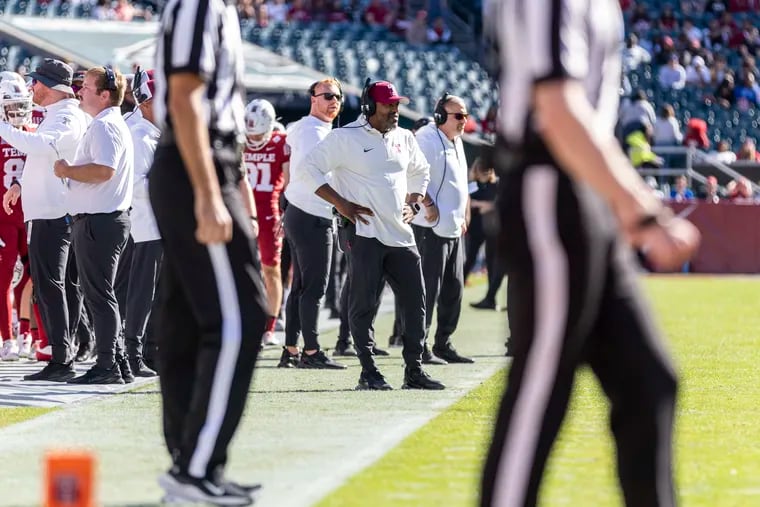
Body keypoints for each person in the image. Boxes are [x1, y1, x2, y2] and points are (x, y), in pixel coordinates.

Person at [481, 2, 700, 506]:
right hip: (548, 185)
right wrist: (640, 210)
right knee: (542, 388)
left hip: (580, 193)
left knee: (648, 384)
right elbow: (556, 105)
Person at [151, 0, 268, 502]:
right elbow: (184, 97)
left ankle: (190, 462)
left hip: (199, 162)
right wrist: (207, 193)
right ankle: (196, 468)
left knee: (187, 323)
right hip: (196, 162)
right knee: (241, 318)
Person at [303, 79, 445, 391]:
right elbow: (307, 169)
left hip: (401, 234)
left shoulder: (405, 137)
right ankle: (368, 372)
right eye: (388, 104)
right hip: (364, 234)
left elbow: (420, 171)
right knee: (363, 305)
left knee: (416, 303)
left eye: (397, 103)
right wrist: (341, 204)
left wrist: (414, 200)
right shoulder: (344, 138)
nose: (395, 109)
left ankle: (414, 371)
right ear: (369, 106)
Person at [0, 58, 88, 382]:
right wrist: (21, 185)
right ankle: (59, 354)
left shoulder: (68, 116)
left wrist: (2, 126)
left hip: (55, 214)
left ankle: (63, 357)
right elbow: (43, 155)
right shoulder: (55, 115)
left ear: (51, 86)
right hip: (45, 212)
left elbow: (41, 145)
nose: (32, 88)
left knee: (53, 288)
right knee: (49, 289)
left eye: (37, 82)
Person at [53, 66, 133, 384]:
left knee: (99, 296)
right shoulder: (105, 123)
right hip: (102, 220)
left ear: (105, 94)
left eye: (86, 86)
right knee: (101, 294)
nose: (79, 90)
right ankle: (118, 361)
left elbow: (104, 171)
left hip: (100, 221)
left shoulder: (105, 126)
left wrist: (67, 171)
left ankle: (107, 364)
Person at [280, 78, 346, 369]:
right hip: (312, 213)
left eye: (338, 97)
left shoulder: (312, 129)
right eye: (328, 96)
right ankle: (311, 351)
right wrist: (342, 203)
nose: (334, 101)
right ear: (313, 99)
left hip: (301, 211)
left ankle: (293, 349)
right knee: (314, 287)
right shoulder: (312, 130)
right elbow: (311, 174)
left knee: (301, 287)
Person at [410, 92, 473, 364]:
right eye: (458, 115)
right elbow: (412, 172)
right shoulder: (425, 137)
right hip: (429, 227)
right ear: (439, 116)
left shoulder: (456, 141)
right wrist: (427, 201)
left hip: (454, 227)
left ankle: (444, 343)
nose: (463, 121)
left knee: (453, 290)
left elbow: (462, 182)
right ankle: (420, 346)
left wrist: (465, 214)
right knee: (427, 291)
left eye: (465, 115)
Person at [243, 98, 289, 347]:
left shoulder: (282, 143)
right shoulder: (238, 140)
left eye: (259, 133)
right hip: (241, 212)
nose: (254, 139)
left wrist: (287, 211)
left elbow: (289, 183)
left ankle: (269, 327)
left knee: (271, 270)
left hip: (270, 213)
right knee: (239, 269)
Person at [123, 68, 160, 377]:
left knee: (155, 293)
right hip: (145, 225)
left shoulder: (151, 128)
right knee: (141, 293)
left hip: (156, 225)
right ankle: (133, 354)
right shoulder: (139, 134)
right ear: (146, 100)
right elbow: (135, 184)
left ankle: (149, 351)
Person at [0, 72, 34, 361]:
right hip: (4, 217)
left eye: (20, 104)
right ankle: (7, 338)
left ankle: (27, 333)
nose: (17, 111)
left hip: (31, 214)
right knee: (3, 278)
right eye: (10, 105)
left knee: (33, 276)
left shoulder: (32, 131)